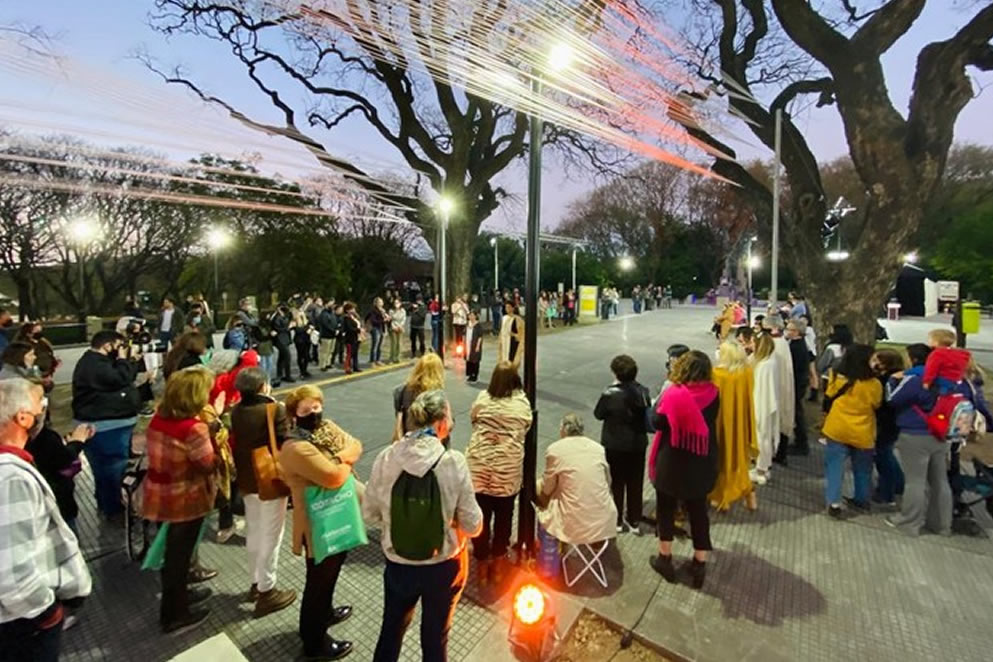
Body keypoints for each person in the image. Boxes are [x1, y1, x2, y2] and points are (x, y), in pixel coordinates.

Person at [363, 389, 482, 662]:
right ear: (440, 423)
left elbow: (368, 514)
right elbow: (473, 525)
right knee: (435, 637)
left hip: (398, 564)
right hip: (443, 566)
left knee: (391, 630)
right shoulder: (453, 462)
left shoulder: (386, 458)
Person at [0, 379, 92, 661]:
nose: (44, 408)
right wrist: (48, 613)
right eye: (40, 402)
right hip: (25, 624)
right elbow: (12, 573)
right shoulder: (10, 479)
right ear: (23, 418)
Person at [280, 385, 361, 660]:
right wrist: (343, 460)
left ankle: (325, 614)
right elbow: (333, 477)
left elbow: (356, 444)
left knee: (331, 573)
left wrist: (342, 460)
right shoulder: (295, 447)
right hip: (317, 523)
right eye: (306, 410)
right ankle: (314, 643)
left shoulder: (325, 428)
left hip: (336, 513)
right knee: (318, 582)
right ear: (294, 414)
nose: (314, 413)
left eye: (316, 407)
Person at [142, 366, 220, 633]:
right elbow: (206, 464)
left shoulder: (158, 418)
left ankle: (180, 597)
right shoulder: (193, 428)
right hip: (186, 497)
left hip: (159, 493)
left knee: (174, 553)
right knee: (179, 556)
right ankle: (175, 613)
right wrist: (215, 439)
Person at [647, 350, 719, 589]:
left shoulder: (674, 395)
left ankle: (665, 558)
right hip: (701, 460)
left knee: (665, 509)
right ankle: (699, 563)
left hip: (673, 461)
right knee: (698, 512)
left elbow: (657, 422)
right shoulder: (713, 394)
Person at [230, 366, 296, 616]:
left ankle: (256, 583)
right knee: (272, 535)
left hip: (247, 480)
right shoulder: (272, 409)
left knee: (254, 531)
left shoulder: (237, 410)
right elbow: (283, 441)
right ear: (262, 387)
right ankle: (268, 591)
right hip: (269, 479)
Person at [466, 362, 532, 584]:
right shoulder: (521, 404)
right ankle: (498, 562)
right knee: (504, 518)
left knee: (480, 518)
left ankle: (482, 563)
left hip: (479, 468)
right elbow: (527, 425)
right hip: (507, 471)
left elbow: (473, 419)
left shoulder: (483, 399)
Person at [71, 330, 142, 519]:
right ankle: (113, 507)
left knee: (105, 469)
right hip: (106, 426)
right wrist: (124, 360)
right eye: (119, 346)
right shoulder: (95, 365)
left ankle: (106, 501)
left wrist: (130, 361)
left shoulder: (97, 363)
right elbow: (119, 379)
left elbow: (125, 377)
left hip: (109, 424)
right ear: (107, 346)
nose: (121, 350)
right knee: (111, 469)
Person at [535, 413, 617, 549]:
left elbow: (547, 487)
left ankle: (551, 549)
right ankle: (593, 539)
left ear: (563, 430)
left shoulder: (555, 449)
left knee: (540, 487)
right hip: (604, 523)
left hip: (573, 525)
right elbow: (608, 482)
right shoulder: (598, 449)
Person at [821, 344, 882, 519]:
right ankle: (862, 499)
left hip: (837, 427)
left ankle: (833, 501)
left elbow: (829, 394)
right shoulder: (874, 383)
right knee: (862, 468)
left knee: (834, 466)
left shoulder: (836, 376)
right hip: (862, 430)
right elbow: (876, 403)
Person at [593, 354, 651, 534]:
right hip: (637, 444)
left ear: (616, 373)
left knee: (616, 482)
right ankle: (634, 519)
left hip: (614, 444)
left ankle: (617, 519)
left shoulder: (609, 394)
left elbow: (598, 414)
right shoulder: (643, 391)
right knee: (635, 482)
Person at [709, 342, 758, 512]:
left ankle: (722, 496)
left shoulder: (717, 374)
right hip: (740, 421)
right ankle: (749, 493)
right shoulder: (746, 372)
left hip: (721, 421)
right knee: (738, 458)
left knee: (721, 457)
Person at [870, 348, 905, 507]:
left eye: (877, 360)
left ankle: (886, 493)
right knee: (887, 454)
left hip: (885, 423)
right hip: (893, 422)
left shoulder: (886, 380)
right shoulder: (900, 377)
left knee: (883, 456)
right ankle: (898, 484)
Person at [393, 353, 445, 440]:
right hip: (431, 444)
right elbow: (447, 424)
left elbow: (399, 417)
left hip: (407, 440)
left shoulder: (401, 391)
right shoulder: (437, 396)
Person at [765, 316, 795, 465]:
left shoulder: (775, 344)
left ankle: (777, 453)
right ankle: (780, 452)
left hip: (777, 387)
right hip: (783, 386)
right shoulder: (782, 343)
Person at [751, 334, 779, 485]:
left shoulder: (764, 366)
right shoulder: (770, 362)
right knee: (765, 437)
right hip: (767, 404)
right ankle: (764, 466)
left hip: (761, 405)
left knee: (762, 437)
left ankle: (761, 469)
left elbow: (760, 389)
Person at [783, 319, 811, 456]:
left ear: (796, 332)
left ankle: (802, 443)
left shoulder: (796, 348)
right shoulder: (797, 345)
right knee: (797, 412)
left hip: (796, 383)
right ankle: (800, 441)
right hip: (799, 382)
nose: (787, 331)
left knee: (797, 413)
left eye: (789, 329)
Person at [13, 322, 58, 389]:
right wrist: (40, 378)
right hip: (35, 378)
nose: (40, 333)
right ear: (28, 333)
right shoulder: (24, 346)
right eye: (37, 331)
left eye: (40, 331)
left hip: (45, 375)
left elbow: (47, 355)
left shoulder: (42, 342)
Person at [270, 304, 296, 385]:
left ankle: (280, 375)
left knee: (281, 357)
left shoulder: (284, 316)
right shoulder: (277, 318)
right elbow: (278, 329)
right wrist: (289, 327)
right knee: (287, 356)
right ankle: (287, 375)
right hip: (280, 339)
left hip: (285, 339)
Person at [498, 301, 524, 366]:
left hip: (513, 343)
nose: (507, 309)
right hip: (504, 342)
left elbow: (522, 333)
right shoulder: (504, 318)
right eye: (506, 307)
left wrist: (515, 335)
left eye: (509, 307)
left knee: (512, 361)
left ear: (513, 308)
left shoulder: (517, 319)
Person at [366, 297, 390, 367]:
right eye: (379, 302)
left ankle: (378, 360)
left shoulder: (383, 310)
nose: (381, 303)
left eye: (381, 302)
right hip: (375, 328)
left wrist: (388, 319)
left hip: (382, 328)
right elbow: (373, 321)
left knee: (380, 345)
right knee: (375, 345)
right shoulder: (373, 311)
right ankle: (372, 361)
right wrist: (383, 320)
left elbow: (386, 319)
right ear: (375, 303)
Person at [292, 309, 314, 380]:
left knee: (307, 356)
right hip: (299, 341)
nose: (301, 313)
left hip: (307, 340)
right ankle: (302, 372)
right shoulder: (295, 321)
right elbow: (298, 330)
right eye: (300, 312)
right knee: (301, 356)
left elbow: (312, 325)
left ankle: (305, 370)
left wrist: (311, 328)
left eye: (302, 312)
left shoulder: (306, 319)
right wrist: (307, 328)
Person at [341, 302, 362, 375]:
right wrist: (357, 330)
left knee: (355, 353)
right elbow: (349, 328)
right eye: (352, 309)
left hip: (356, 337)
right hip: (350, 338)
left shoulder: (354, 317)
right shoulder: (346, 318)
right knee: (349, 353)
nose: (353, 310)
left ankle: (355, 366)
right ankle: (347, 367)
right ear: (347, 310)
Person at [317, 299, 338, 370]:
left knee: (330, 350)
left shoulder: (332, 313)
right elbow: (325, 324)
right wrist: (333, 330)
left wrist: (336, 328)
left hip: (333, 335)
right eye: (330, 304)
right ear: (326, 305)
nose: (332, 305)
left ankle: (328, 363)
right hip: (326, 335)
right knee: (324, 351)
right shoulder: (324, 314)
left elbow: (335, 322)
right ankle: (322, 365)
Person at [465, 311, 483, 382]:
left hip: (474, 344)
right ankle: (470, 374)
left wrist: (478, 345)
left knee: (475, 359)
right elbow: (464, 333)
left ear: (475, 316)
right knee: (468, 359)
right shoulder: (467, 324)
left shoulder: (478, 325)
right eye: (470, 315)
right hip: (467, 344)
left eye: (472, 315)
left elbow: (480, 336)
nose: (471, 317)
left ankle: (475, 375)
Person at [388, 298, 406, 364]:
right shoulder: (391, 311)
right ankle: (392, 358)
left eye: (398, 303)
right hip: (393, 327)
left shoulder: (403, 310)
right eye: (395, 303)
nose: (396, 304)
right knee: (394, 343)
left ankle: (398, 357)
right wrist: (395, 327)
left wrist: (400, 326)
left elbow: (404, 319)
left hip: (400, 327)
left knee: (399, 343)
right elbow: (392, 319)